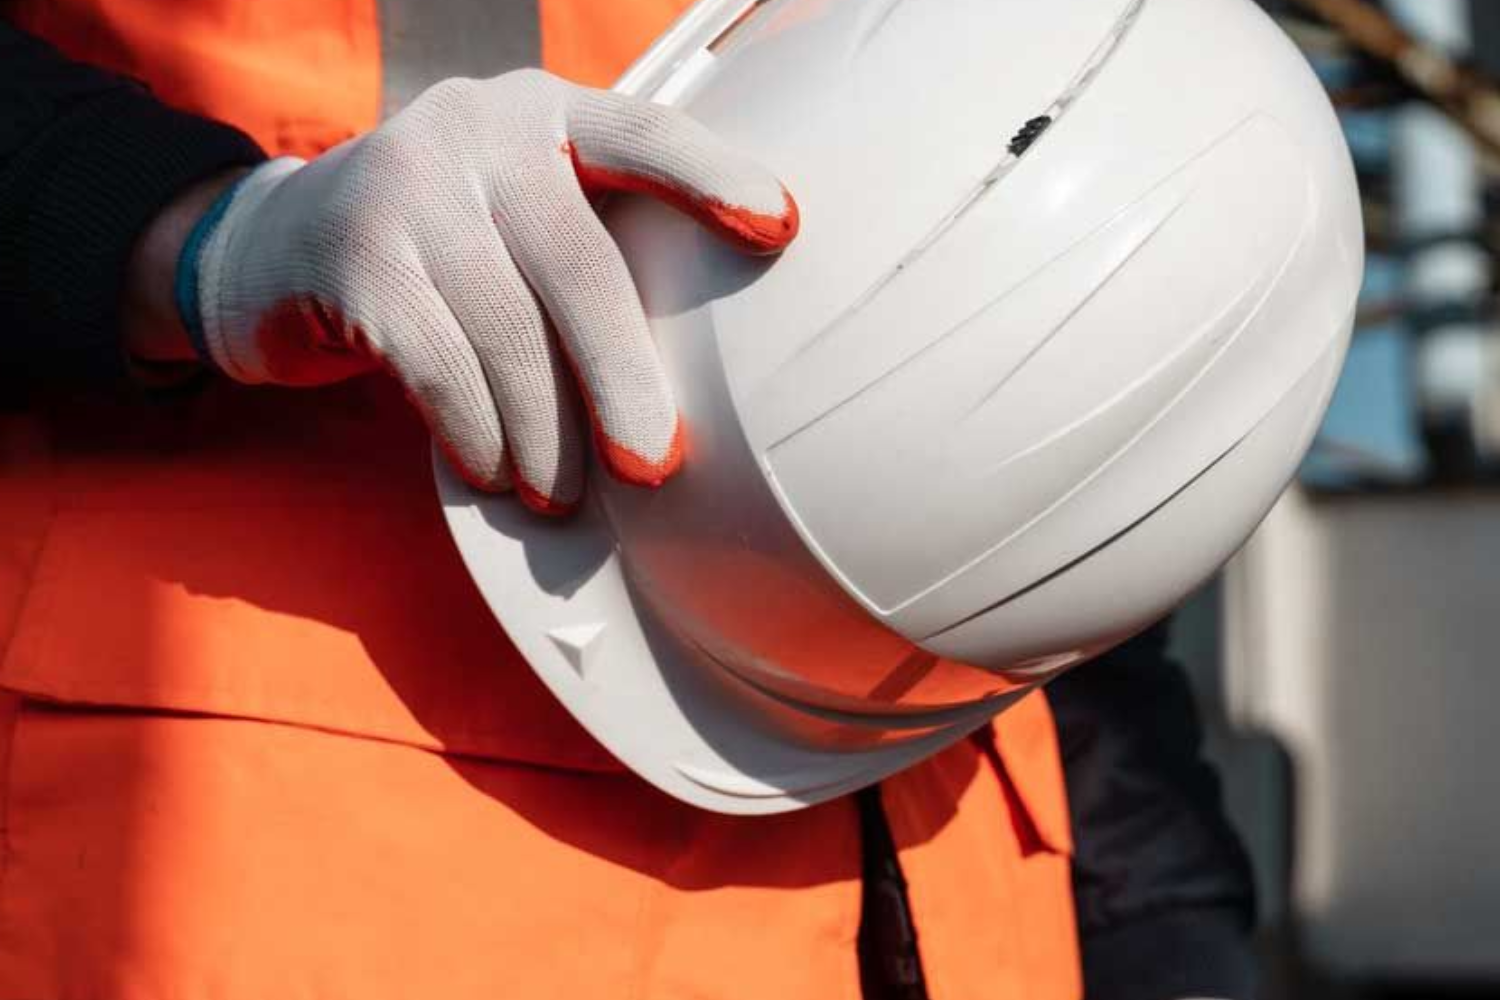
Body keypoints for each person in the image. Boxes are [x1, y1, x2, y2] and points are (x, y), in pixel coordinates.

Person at [0, 3, 1256, 997]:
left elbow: (1052, 456)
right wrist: (184, 231)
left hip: (955, 899)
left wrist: (1165, 931)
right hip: (296, 861)